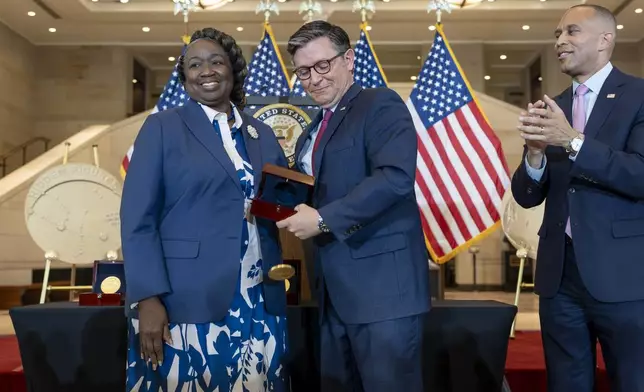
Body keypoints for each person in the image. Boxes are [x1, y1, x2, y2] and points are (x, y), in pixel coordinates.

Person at [120, 27, 290, 392]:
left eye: (216, 61)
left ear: (233, 69)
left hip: (258, 297)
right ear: (185, 78)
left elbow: (282, 199)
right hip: (185, 298)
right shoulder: (163, 127)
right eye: (194, 65)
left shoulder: (260, 133)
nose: (206, 70)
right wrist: (147, 298)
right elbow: (138, 220)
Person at [277, 20, 431, 392]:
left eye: (322, 65)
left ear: (349, 59)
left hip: (383, 294)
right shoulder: (314, 128)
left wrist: (324, 219)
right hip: (331, 293)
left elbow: (394, 178)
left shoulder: (380, 104)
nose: (313, 79)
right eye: (303, 71)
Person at [514, 5, 644, 391]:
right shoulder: (554, 107)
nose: (560, 42)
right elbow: (526, 196)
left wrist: (571, 141)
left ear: (606, 40)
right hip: (560, 279)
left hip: (623, 279)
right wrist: (535, 155)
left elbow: (639, 174)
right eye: (557, 34)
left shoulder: (638, 95)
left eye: (572, 32)